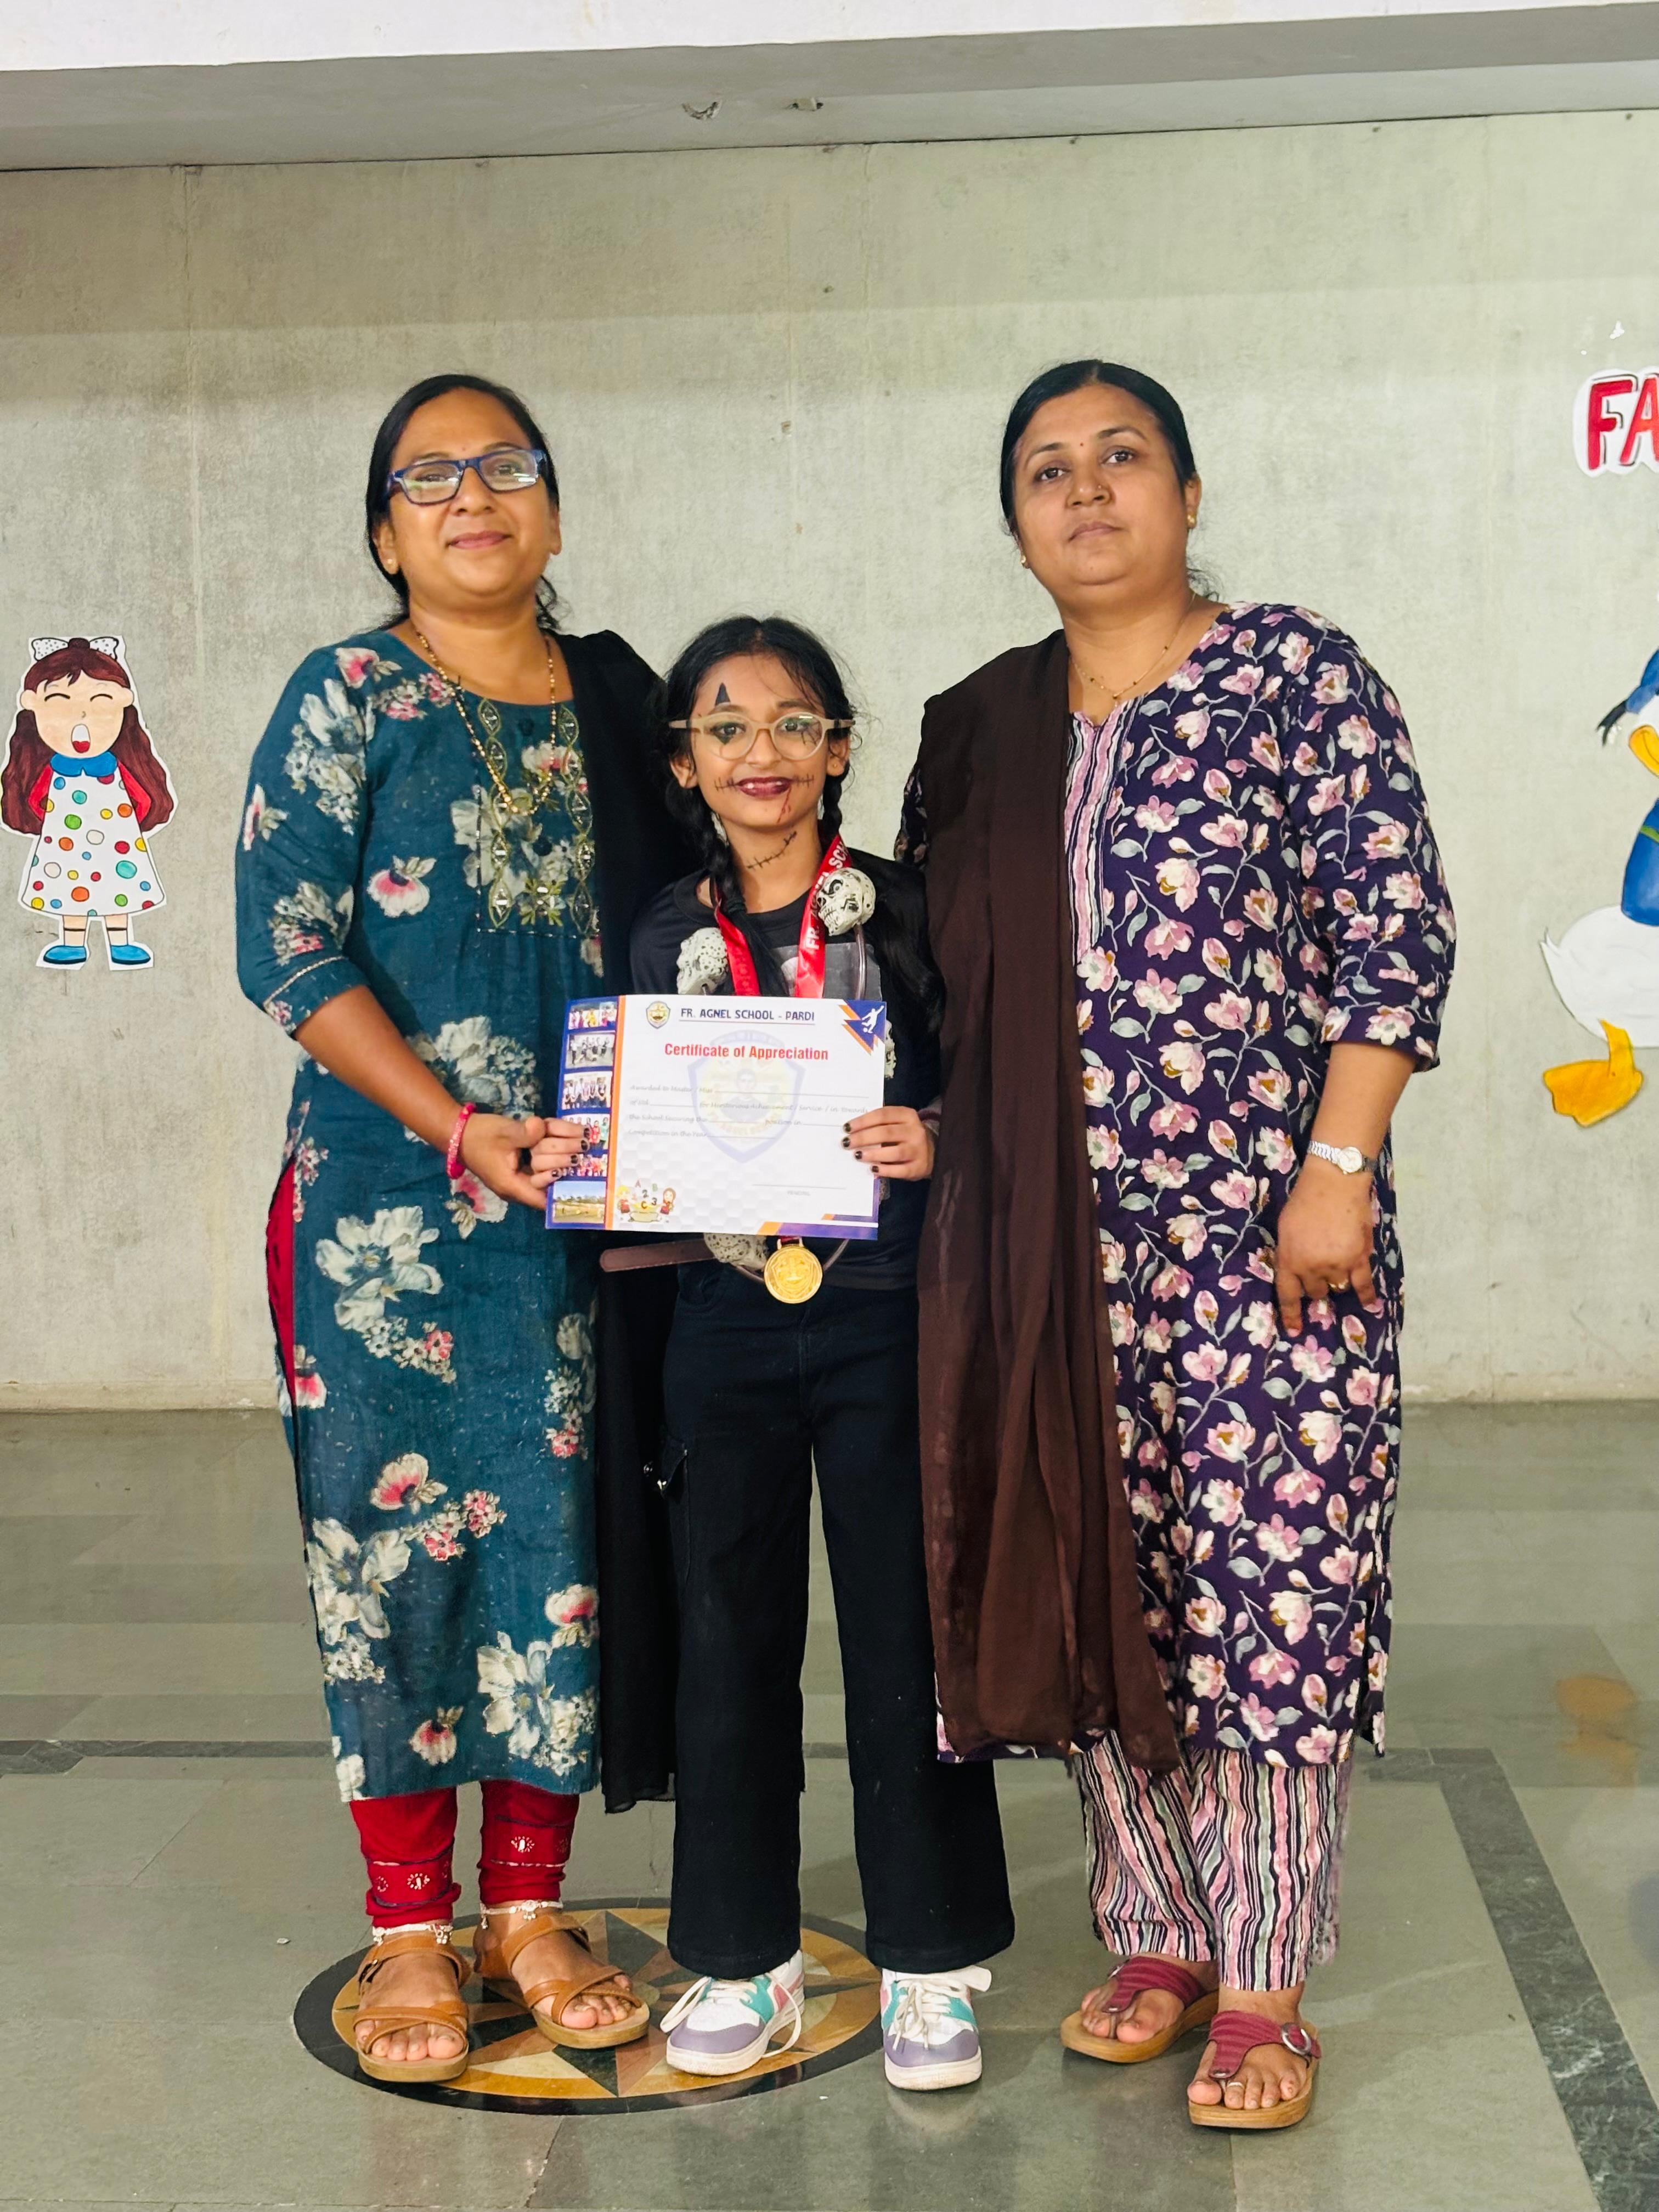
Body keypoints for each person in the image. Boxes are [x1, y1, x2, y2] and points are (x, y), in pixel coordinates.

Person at [897, 361, 1454, 2129]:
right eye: (1047, 471)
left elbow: (1396, 930)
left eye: (1122, 457)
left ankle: (1265, 1978)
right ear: (1015, 526)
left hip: (1268, 1242)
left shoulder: (1296, 674)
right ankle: (1154, 1932)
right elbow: (920, 988)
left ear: (1189, 495)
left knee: (1274, 1587)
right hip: (1047, 1253)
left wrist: (1337, 1166)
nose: (1087, 491)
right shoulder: (982, 730)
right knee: (1102, 1572)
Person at [235, 373, 685, 2083]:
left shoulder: (628, 704)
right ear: (384, 532)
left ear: (554, 510)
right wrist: (457, 1126)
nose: (472, 496)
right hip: (383, 1215)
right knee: (391, 1560)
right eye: (431, 477)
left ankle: (530, 1909)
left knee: (559, 1551)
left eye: (506, 467)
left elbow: (715, 902)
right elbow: (289, 950)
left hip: (588, 1211)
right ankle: (410, 1926)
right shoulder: (347, 695)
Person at [537, 616, 1014, 2091]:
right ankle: (743, 1956)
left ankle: (931, 1959)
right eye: (727, 726)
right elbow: (640, 1138)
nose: (763, 751)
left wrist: (934, 1133)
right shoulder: (658, 935)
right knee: (728, 1637)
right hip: (726, 1321)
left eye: (795, 722)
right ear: (684, 761)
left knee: (902, 1635)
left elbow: (995, 1088)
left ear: (840, 749)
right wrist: (600, 1155)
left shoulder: (909, 910)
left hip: (888, 1311)